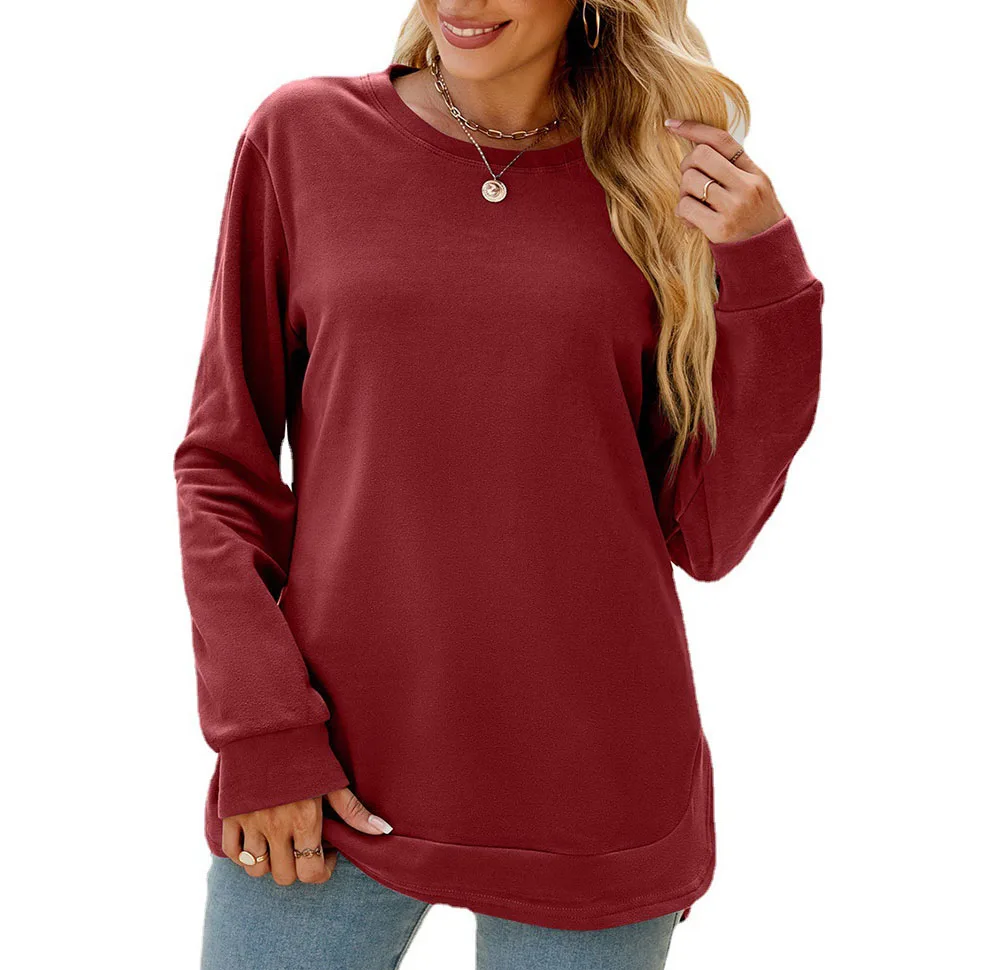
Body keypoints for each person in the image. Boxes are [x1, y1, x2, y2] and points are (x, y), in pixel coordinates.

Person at [173, 2, 823, 967]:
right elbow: (222, 469)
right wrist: (262, 733)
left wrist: (764, 274)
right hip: (325, 778)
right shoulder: (302, 138)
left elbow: (707, 533)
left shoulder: (659, 184)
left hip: (594, 793)